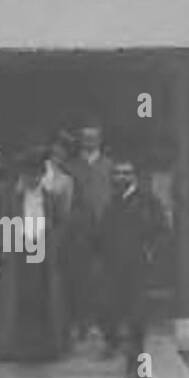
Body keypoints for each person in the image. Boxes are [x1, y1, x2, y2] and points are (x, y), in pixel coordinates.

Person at [0, 147, 67, 362]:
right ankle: (13, 348)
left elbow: (60, 225)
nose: (32, 179)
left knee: (41, 299)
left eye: (36, 175)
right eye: (28, 175)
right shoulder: (11, 198)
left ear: (42, 175)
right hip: (18, 254)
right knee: (17, 300)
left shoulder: (50, 199)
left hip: (42, 254)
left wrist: (52, 245)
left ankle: (44, 349)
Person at [97, 157, 171, 378]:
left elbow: (163, 231)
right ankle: (112, 344)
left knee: (137, 319)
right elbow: (102, 235)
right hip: (113, 269)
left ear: (134, 176)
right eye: (118, 173)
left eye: (126, 173)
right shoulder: (111, 204)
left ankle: (137, 366)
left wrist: (150, 252)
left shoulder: (148, 202)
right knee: (110, 308)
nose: (121, 177)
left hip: (138, 268)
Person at [66, 121, 114, 344]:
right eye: (85, 137)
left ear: (100, 139)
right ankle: (80, 323)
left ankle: (100, 324)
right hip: (79, 231)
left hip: (105, 228)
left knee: (103, 278)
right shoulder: (70, 167)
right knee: (79, 277)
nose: (90, 141)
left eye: (94, 137)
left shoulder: (109, 166)